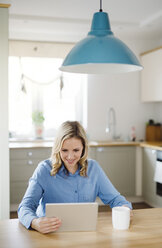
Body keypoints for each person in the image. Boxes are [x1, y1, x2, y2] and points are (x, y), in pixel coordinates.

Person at [18, 121, 132, 234]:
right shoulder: (44, 169)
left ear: (83, 148)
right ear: (58, 148)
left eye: (76, 150)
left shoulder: (93, 169)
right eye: (64, 150)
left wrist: (125, 208)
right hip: (50, 234)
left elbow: (116, 199)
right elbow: (25, 207)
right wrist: (34, 222)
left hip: (84, 233)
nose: (70, 156)